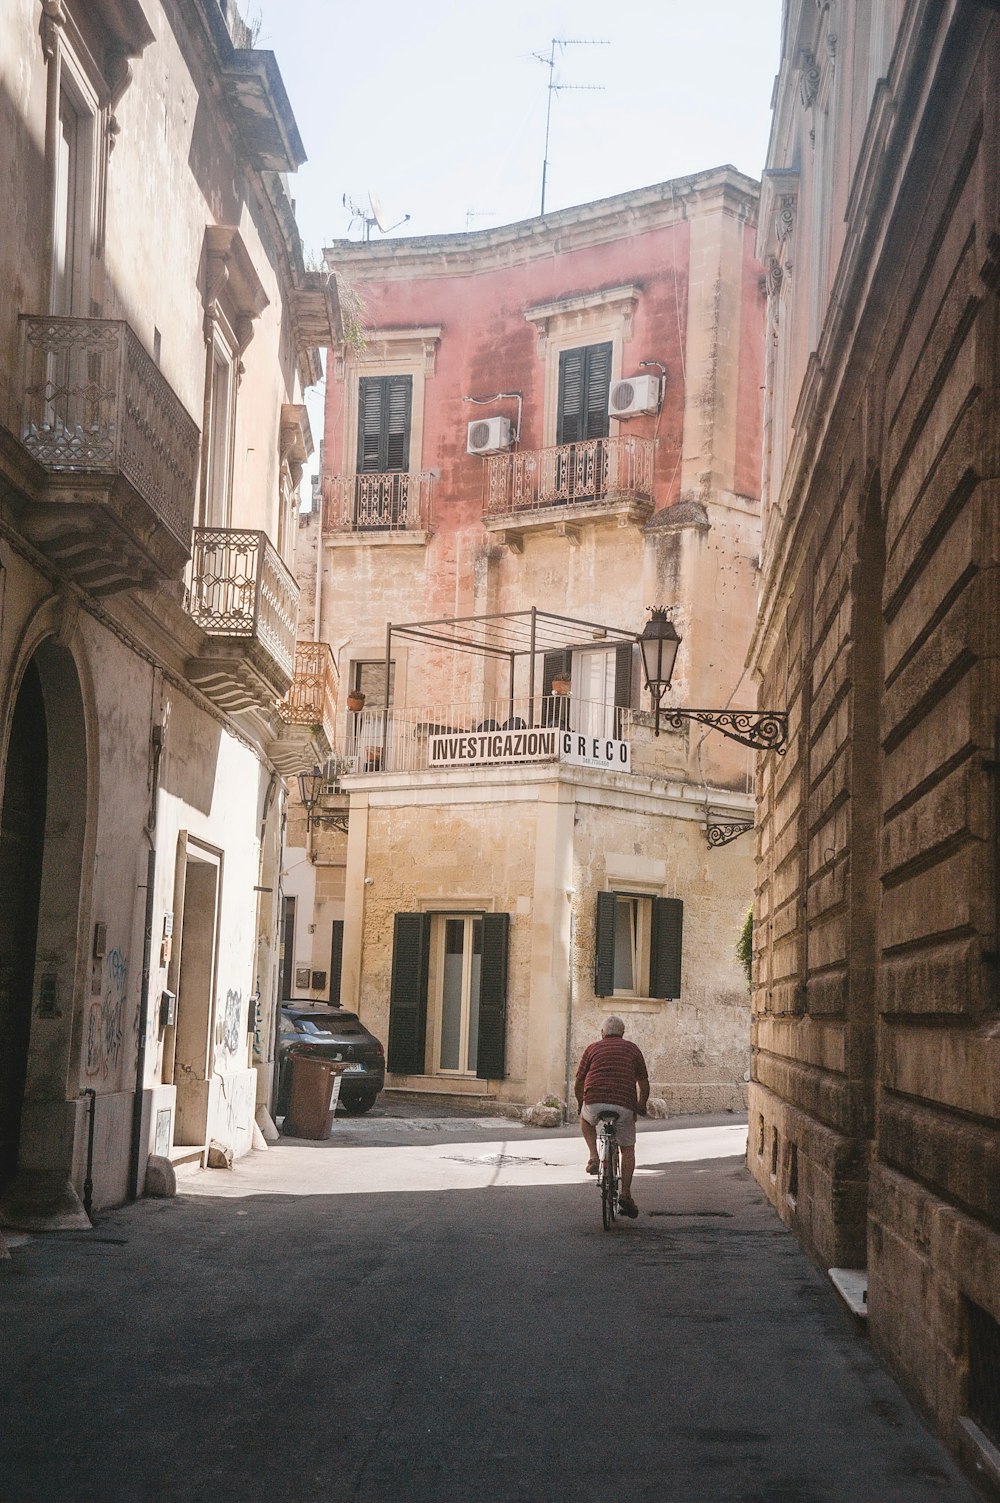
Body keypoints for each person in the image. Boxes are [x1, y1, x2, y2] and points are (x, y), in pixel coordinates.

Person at [574, 1016, 650, 1219]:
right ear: (622, 1033)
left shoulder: (592, 1048)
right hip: (624, 1103)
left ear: (602, 1033)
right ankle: (626, 1193)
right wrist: (641, 1106)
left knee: (586, 1120)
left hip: (595, 1099)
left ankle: (593, 1156)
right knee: (628, 1149)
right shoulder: (632, 1049)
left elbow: (579, 1080)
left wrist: (581, 1104)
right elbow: (643, 1081)